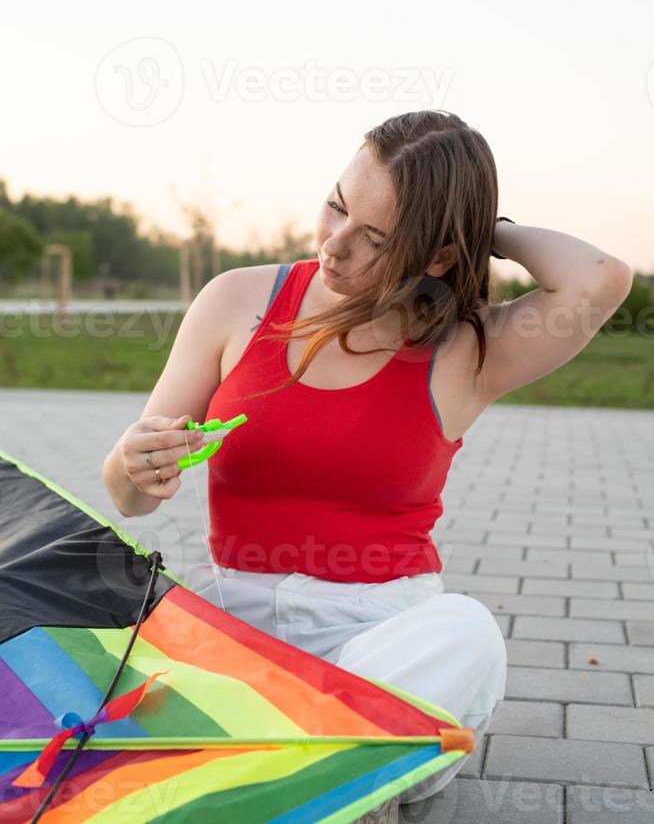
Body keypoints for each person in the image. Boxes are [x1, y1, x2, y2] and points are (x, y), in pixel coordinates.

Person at [103, 109, 632, 804]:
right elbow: (129, 494)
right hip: (233, 621)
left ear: (437, 256)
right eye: (336, 205)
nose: (335, 245)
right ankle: (327, 772)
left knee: (466, 635)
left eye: (378, 237)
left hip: (380, 639)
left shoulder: (469, 349)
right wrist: (135, 463)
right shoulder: (237, 300)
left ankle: (304, 767)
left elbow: (600, 278)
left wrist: (481, 230)